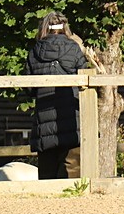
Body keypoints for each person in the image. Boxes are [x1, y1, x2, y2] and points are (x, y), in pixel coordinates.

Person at [27, 11, 88, 179]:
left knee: (47, 169)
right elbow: (84, 75)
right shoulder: (74, 48)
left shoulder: (34, 52)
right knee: (72, 167)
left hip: (44, 115)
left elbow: (29, 88)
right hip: (70, 114)